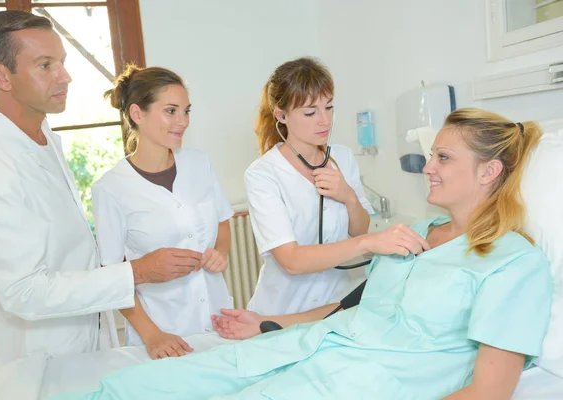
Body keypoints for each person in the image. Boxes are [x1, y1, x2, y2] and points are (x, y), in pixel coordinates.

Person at [52, 108, 552, 400]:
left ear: (489, 173)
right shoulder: (414, 232)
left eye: (444, 158)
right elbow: (350, 308)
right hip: (314, 345)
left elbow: (489, 393)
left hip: (361, 382)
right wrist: (268, 324)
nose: (428, 168)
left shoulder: (513, 264)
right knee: (139, 386)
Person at [0, 10, 203, 366]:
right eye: (45, 65)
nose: (65, 76)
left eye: (61, 62)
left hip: (87, 338)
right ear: (1, 75)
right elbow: (24, 291)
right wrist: (138, 271)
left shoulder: (44, 138)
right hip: (40, 358)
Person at [245, 57, 429, 315]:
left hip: (336, 305)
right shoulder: (264, 174)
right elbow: (291, 261)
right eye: (310, 112)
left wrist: (348, 197)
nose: (324, 120)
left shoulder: (342, 157)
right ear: (281, 115)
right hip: (283, 310)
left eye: (328, 107)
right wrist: (368, 243)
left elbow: (360, 228)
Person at [92, 65, 234, 360]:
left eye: (186, 111)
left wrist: (220, 252)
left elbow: (222, 221)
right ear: (137, 114)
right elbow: (112, 276)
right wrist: (152, 335)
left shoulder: (199, 163)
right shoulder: (111, 188)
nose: (182, 121)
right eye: (171, 111)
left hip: (220, 320)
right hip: (161, 335)